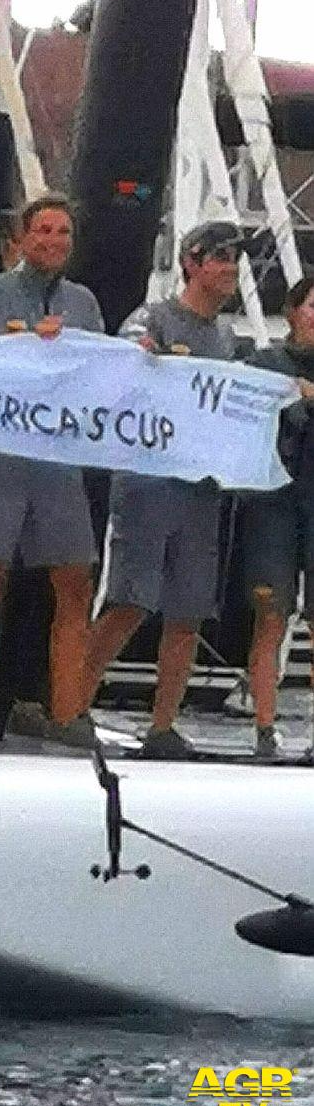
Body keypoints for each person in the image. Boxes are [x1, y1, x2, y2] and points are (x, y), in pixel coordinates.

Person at [81, 221, 241, 760]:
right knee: (129, 600)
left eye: (235, 260)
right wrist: (144, 354)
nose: (230, 269)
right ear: (192, 263)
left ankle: (163, 726)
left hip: (198, 484)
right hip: (148, 482)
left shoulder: (224, 339)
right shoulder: (153, 317)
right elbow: (124, 365)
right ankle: (70, 707)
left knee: (188, 609)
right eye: (220, 258)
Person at [0, 193, 103, 749]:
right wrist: (19, 342)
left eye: (64, 232)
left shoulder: (84, 304)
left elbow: (104, 375)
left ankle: (67, 714)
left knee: (74, 582)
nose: (54, 241)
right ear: (23, 236)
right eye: (44, 230)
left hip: (58, 460)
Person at [240, 278, 314, 758]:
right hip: (274, 506)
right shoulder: (263, 366)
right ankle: (264, 729)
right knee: (271, 618)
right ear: (292, 312)